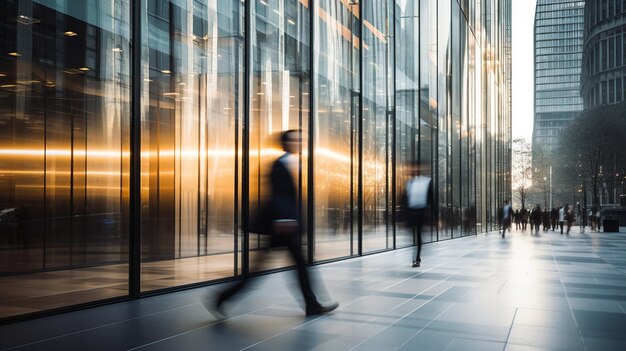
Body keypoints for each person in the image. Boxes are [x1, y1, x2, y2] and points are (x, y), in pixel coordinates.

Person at [211, 130, 338, 317]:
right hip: (282, 228)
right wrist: (283, 220)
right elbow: (278, 196)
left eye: (300, 140)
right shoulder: (280, 164)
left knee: (294, 266)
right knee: (268, 270)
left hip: (284, 227)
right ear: (286, 143)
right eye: (295, 140)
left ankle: (312, 304)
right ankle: (222, 297)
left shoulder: (290, 163)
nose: (299, 143)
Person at [402, 160, 433, 267]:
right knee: (412, 236)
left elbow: (432, 199)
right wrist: (401, 218)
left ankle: (416, 258)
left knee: (418, 236)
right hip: (411, 213)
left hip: (421, 212)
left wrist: (435, 218)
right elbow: (404, 200)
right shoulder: (409, 183)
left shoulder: (427, 181)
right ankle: (416, 255)